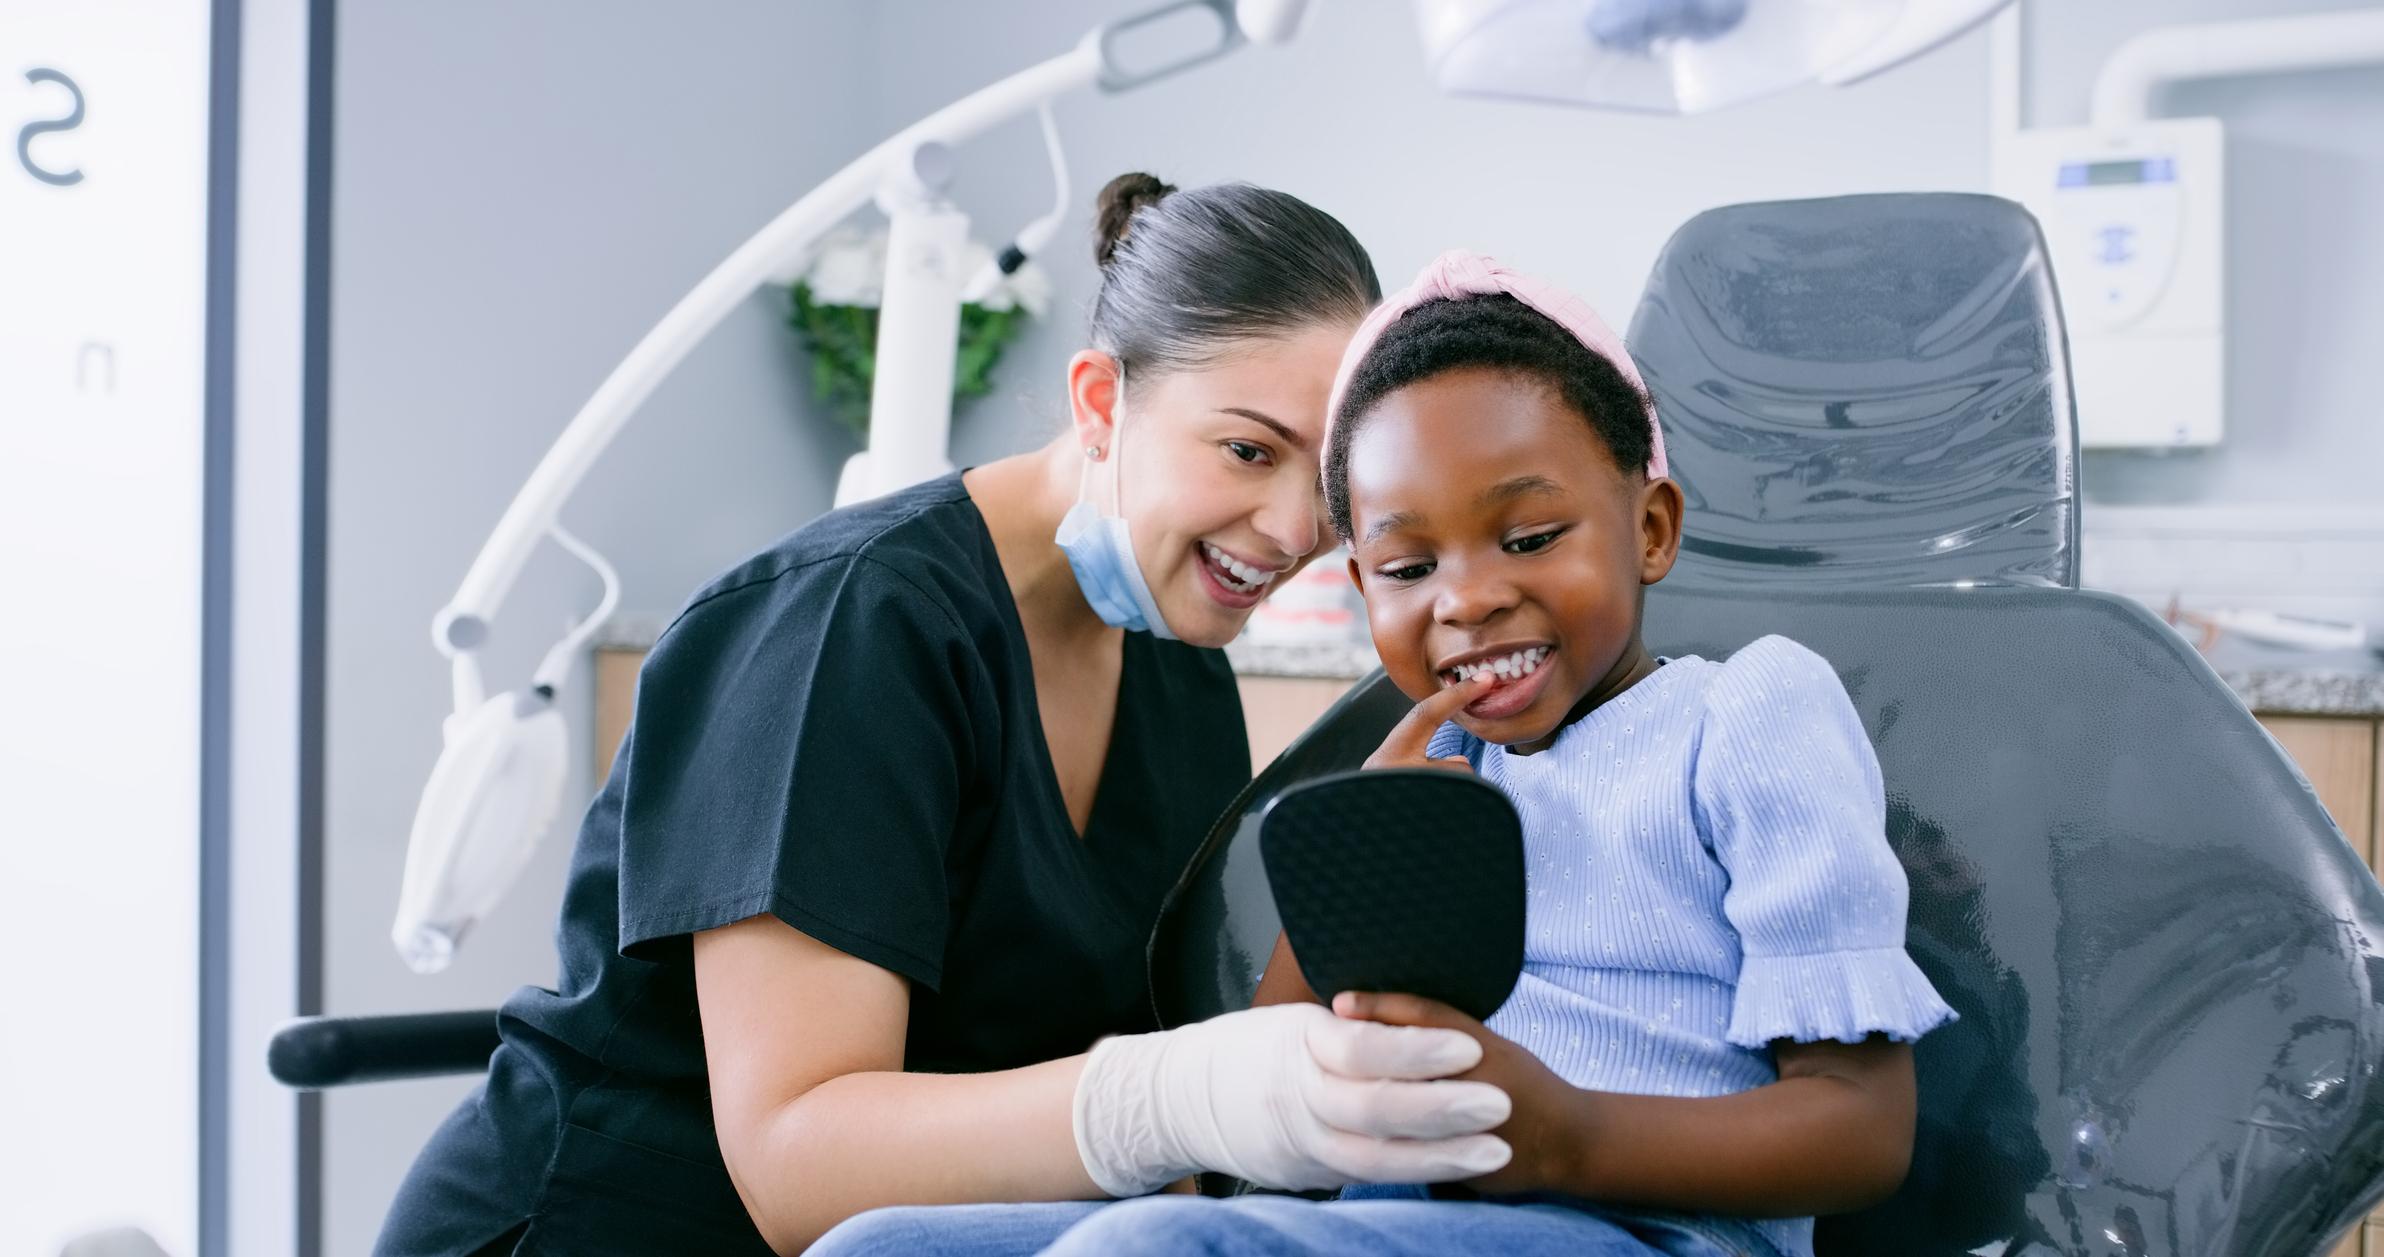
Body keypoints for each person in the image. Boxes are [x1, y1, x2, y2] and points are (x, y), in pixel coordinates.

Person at [374, 181, 1514, 1257]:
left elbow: (1141, 1052)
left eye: (1321, 487)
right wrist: (1180, 1102)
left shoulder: (1176, 666)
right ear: (1101, 402)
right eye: (1244, 450)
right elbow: (795, 1164)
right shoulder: (852, 624)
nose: (1285, 531)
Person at [820, 250, 1959, 1257]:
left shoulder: (1742, 717)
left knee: (1160, 1246)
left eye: (1527, 537)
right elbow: (1271, 1074)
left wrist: (1570, 1138)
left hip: (1638, 1227)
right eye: (1408, 569)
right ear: (1361, 586)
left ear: (1648, 526)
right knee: (882, 1244)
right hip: (1382, 1219)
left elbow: (1858, 1131)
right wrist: (1365, 856)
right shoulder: (1430, 761)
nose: (1466, 601)